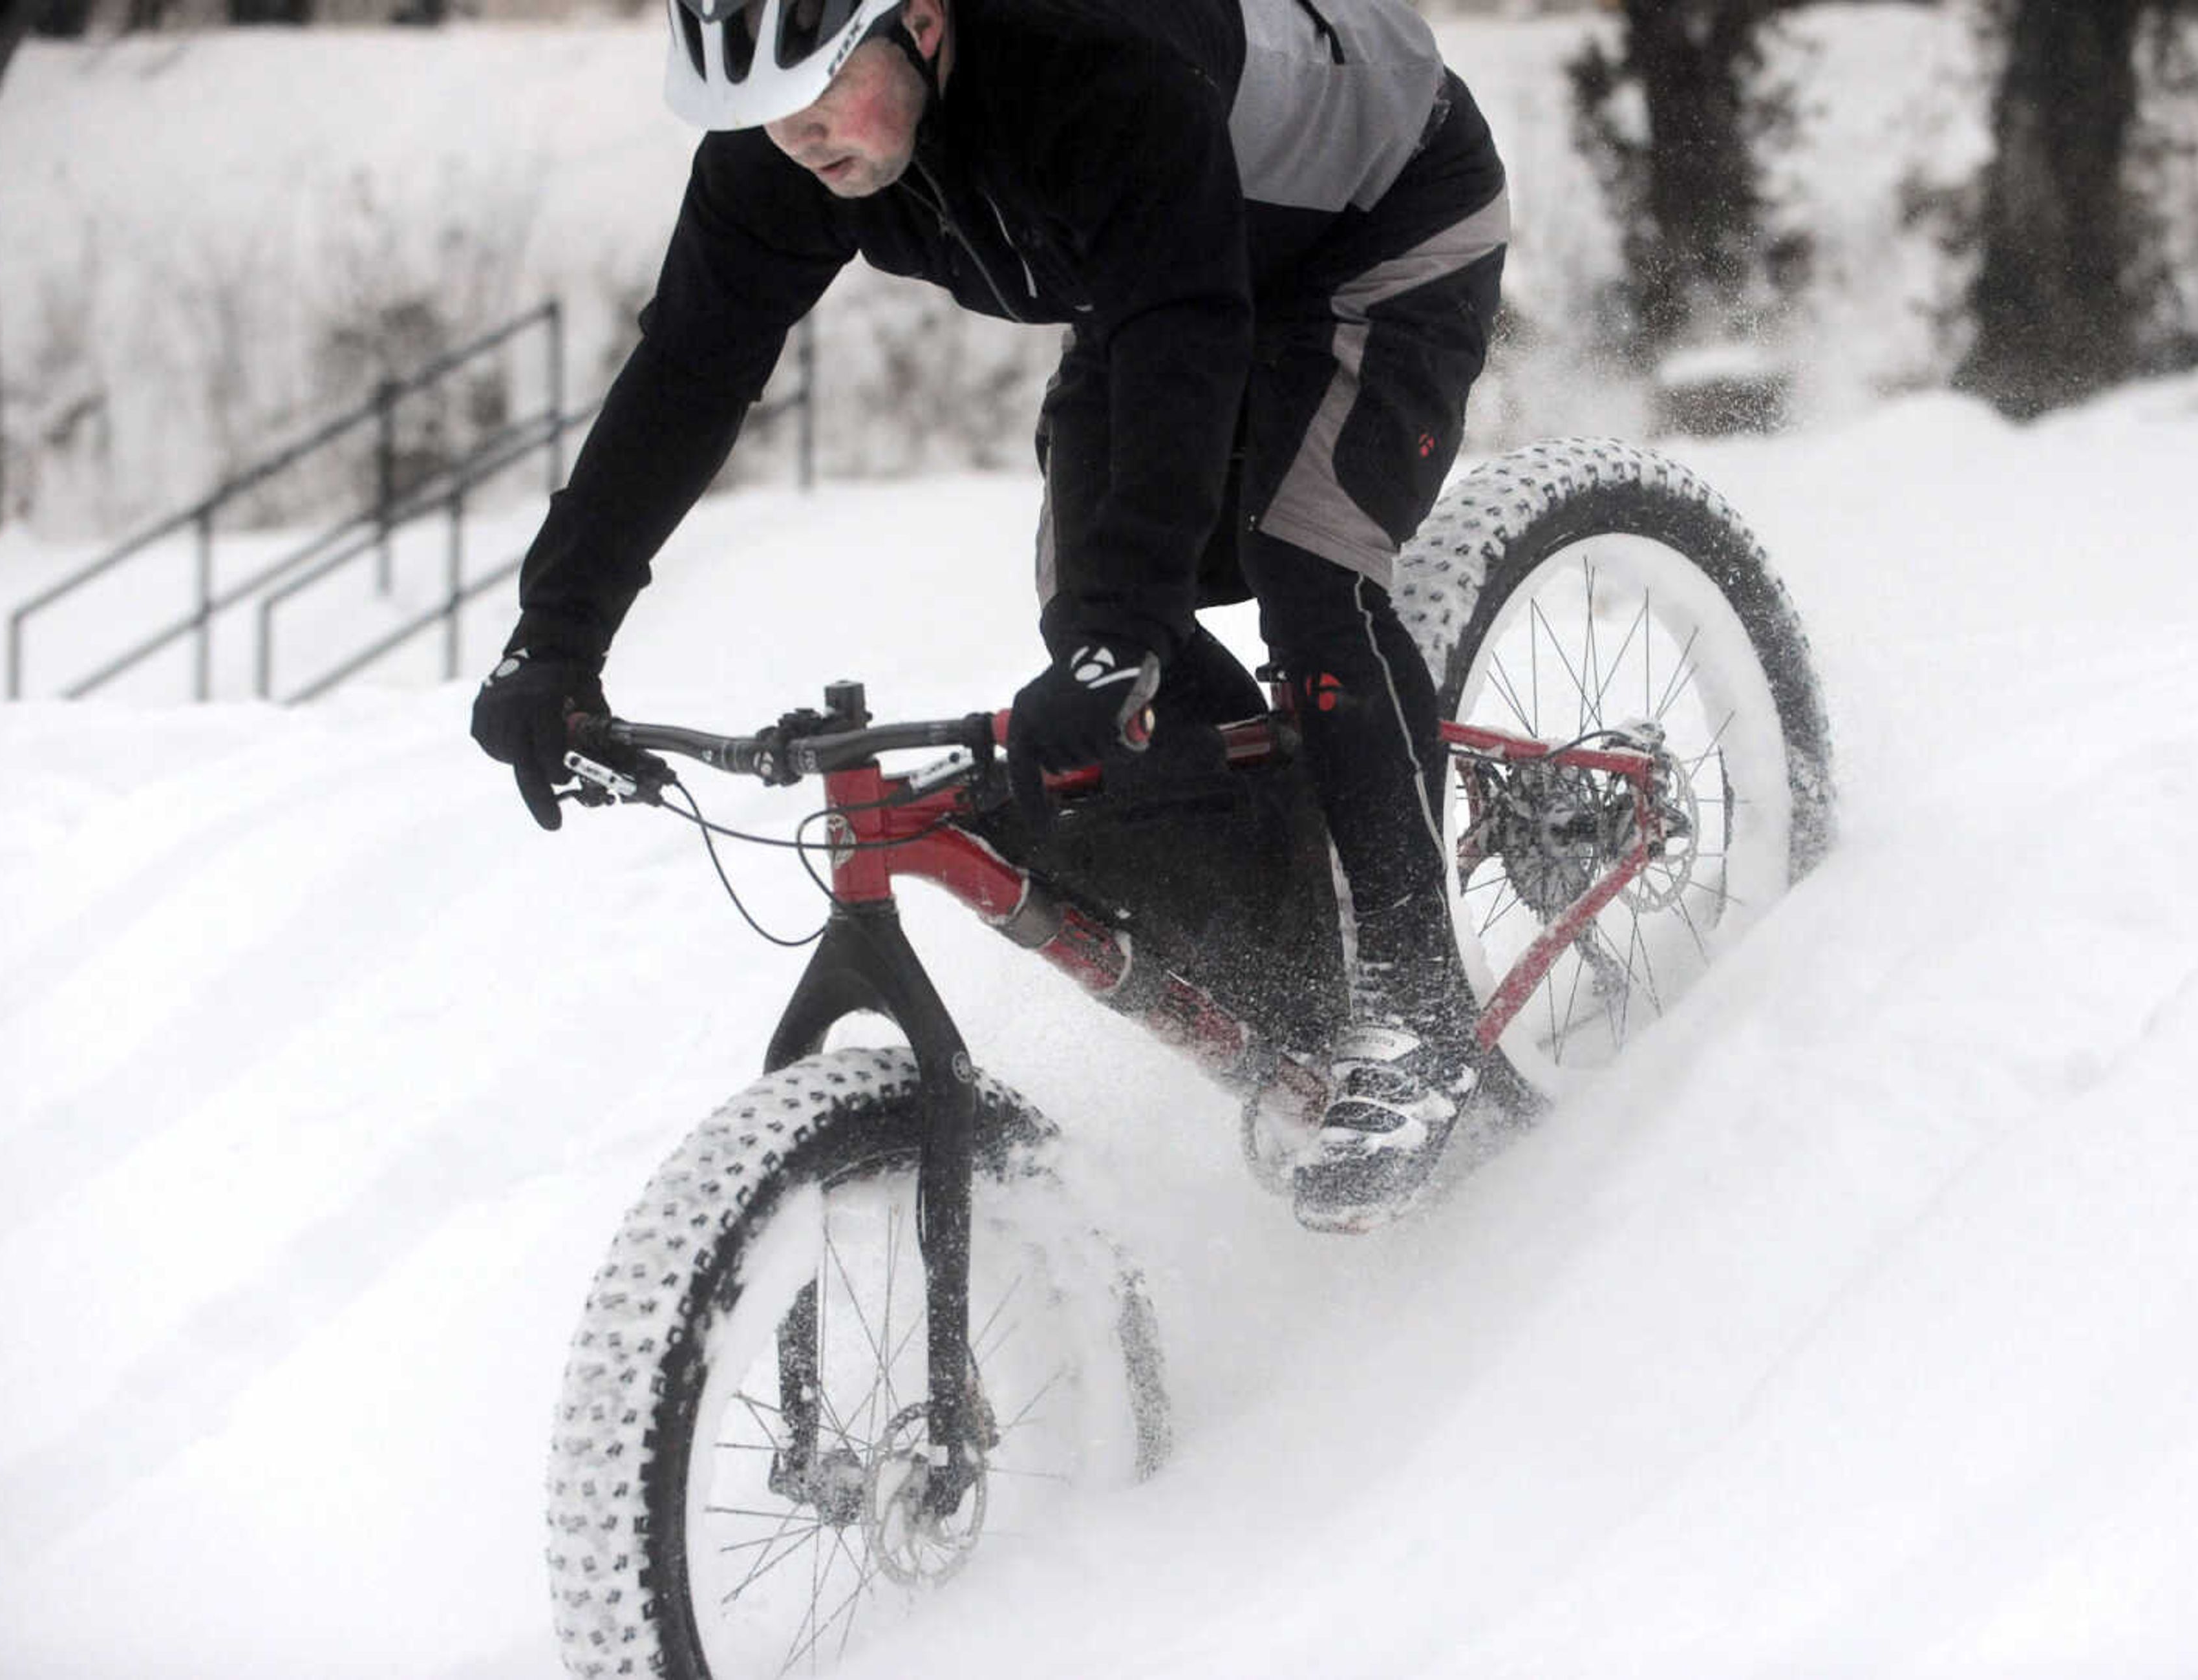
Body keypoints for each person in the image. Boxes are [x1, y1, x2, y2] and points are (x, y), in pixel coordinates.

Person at [469, 0, 1509, 1228]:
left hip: (1376, 230)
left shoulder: (1092, 57)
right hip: (1162, 266)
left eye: (816, 93)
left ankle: (1418, 1017)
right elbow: (689, 370)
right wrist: (557, 636)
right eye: (759, 113)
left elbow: (1185, 333)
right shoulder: (788, 151)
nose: (794, 137)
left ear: (919, 20)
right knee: (1093, 621)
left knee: (1307, 573)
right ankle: (1293, 959)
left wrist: (1135, 627)